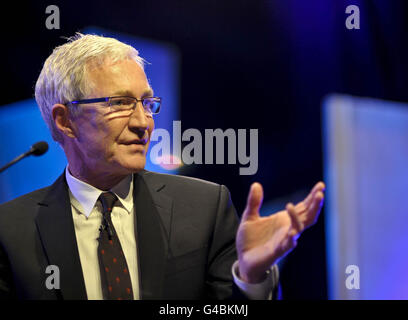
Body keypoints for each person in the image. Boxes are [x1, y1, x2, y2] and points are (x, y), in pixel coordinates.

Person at [0, 34, 325, 300]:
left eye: (147, 103)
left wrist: (251, 278)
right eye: (121, 103)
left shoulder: (204, 209)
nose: (144, 123)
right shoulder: (9, 231)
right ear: (65, 120)